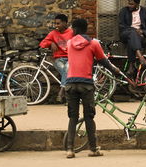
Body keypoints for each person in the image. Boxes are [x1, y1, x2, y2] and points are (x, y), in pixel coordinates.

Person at [63, 17, 107, 158]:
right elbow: (103, 61)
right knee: (89, 117)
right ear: (86, 29)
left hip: (70, 84)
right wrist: (115, 70)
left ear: (74, 29)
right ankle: (93, 149)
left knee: (73, 117)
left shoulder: (69, 43)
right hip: (86, 84)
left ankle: (70, 149)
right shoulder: (93, 43)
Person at [39, 13, 73, 94]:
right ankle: (69, 90)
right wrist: (51, 43)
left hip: (70, 59)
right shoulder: (53, 33)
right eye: (55, 23)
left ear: (65, 23)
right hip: (59, 59)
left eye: (58, 23)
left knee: (66, 69)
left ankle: (62, 90)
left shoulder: (72, 33)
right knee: (66, 72)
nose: (56, 25)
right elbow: (42, 44)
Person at [118, 0, 146, 68]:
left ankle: (131, 67)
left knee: (132, 40)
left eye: (132, 4)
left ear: (137, 4)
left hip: (140, 36)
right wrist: (133, 30)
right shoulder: (124, 11)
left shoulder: (144, 12)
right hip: (125, 34)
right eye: (129, 3)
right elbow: (121, 25)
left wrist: (143, 31)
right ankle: (140, 57)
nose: (129, 6)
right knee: (132, 33)